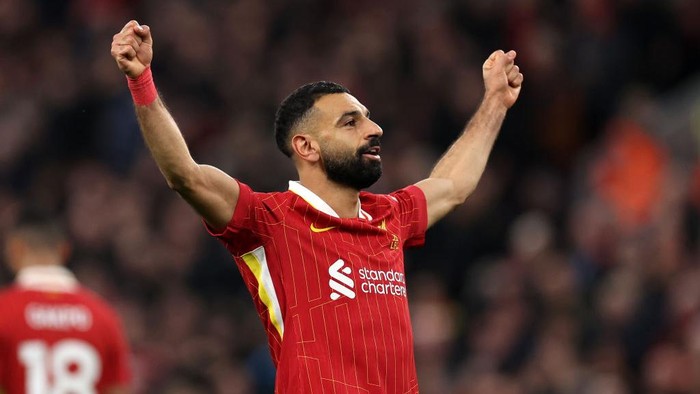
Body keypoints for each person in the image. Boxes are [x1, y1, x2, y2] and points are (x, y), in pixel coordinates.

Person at [110, 19, 522, 393]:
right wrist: (141, 79)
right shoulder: (269, 221)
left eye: (367, 117)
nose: (374, 129)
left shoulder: (388, 217)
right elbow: (185, 174)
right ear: (306, 146)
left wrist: (495, 103)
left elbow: (452, 185)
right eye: (350, 122)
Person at [0, 213, 132, 394]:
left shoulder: (4, 311)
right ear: (65, 250)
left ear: (15, 249)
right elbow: (118, 390)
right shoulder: (103, 315)